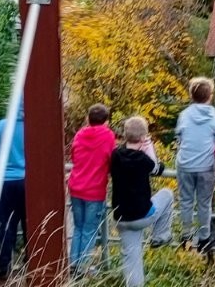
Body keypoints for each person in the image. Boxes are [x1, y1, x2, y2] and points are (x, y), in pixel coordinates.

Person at [110, 116, 173, 287]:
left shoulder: (115, 155)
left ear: (125, 135)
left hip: (122, 217)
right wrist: (149, 149)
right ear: (144, 137)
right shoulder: (143, 160)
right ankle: (160, 235)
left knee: (132, 259)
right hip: (143, 214)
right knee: (167, 194)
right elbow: (157, 168)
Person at [68, 103, 116, 276]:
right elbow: (112, 159)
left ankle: (73, 264)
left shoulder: (80, 134)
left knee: (78, 228)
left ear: (88, 118)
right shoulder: (108, 136)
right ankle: (82, 268)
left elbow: (74, 156)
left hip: (75, 187)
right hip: (94, 190)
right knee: (89, 230)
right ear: (106, 121)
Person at [176, 77, 215, 252]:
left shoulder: (184, 115)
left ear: (191, 95)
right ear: (210, 96)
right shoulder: (214, 117)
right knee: (204, 203)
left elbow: (180, 138)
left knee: (186, 201)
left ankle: (186, 234)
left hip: (185, 164)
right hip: (205, 166)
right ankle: (204, 238)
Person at [0, 100, 26, 284]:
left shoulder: (1, 126)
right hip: (29, 182)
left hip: (5, 182)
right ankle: (34, 262)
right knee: (32, 225)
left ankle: (3, 268)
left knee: (6, 225)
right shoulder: (34, 127)